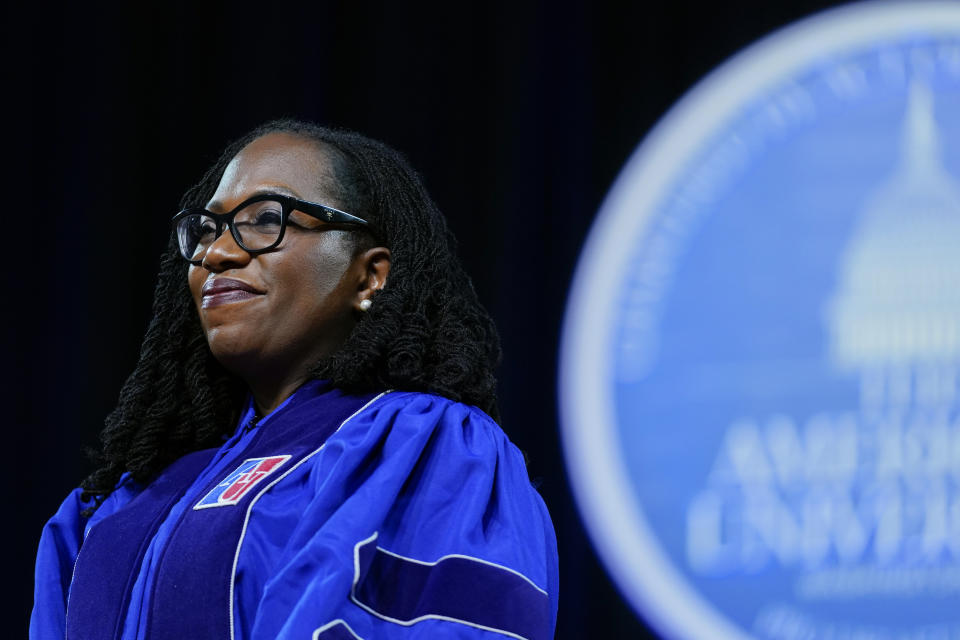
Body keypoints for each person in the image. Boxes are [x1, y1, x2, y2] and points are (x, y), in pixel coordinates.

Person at [31, 120, 558, 640]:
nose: (218, 252)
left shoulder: (420, 448)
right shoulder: (118, 504)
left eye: (266, 218)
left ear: (370, 276)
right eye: (207, 229)